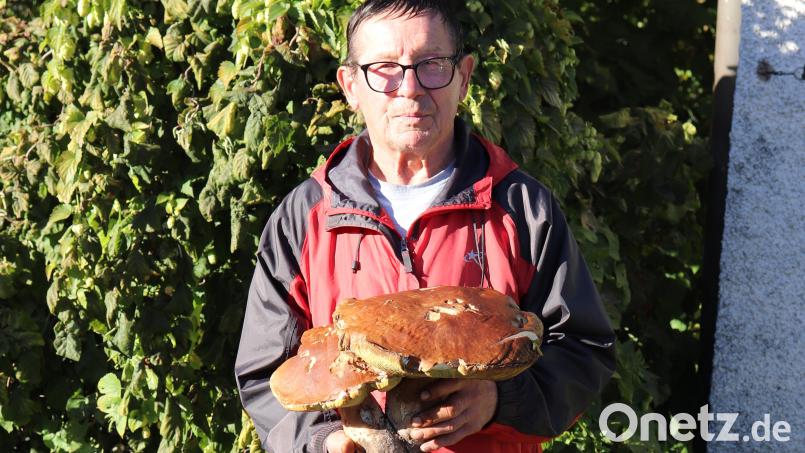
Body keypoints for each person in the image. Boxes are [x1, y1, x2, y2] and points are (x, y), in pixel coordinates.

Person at [234, 1, 615, 452]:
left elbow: (583, 348)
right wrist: (324, 441)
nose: (410, 88)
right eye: (385, 69)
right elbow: (264, 374)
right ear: (351, 85)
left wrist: (498, 398)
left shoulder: (521, 208)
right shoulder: (306, 218)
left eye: (431, 64)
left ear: (464, 76)